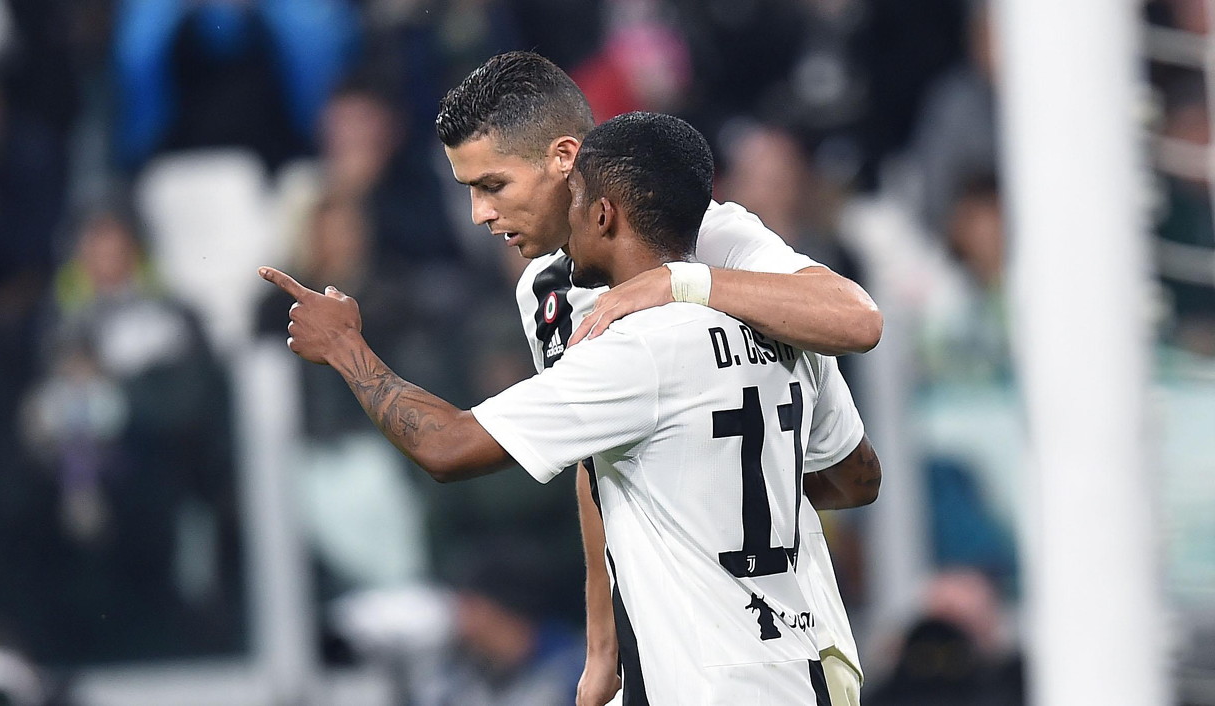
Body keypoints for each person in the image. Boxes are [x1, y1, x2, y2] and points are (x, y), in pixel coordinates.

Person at [260, 111, 881, 703]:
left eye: (576, 201)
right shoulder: (786, 324)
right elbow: (856, 478)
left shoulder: (633, 348)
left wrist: (346, 348)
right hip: (814, 663)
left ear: (603, 213)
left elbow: (446, 445)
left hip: (706, 681)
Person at [433, 51, 880, 706]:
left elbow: (858, 320)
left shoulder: (712, 231)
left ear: (564, 160)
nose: (479, 212)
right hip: (668, 643)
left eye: (493, 185)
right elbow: (596, 460)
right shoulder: (544, 290)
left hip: (768, 645)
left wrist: (680, 282)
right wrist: (602, 644)